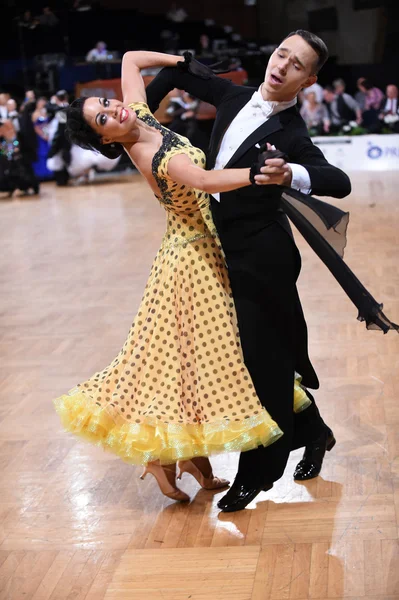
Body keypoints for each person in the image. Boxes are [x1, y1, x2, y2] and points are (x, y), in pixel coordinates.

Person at [145, 30, 398, 512]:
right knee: (254, 359)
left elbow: (339, 181)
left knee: (265, 366)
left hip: (264, 259)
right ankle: (315, 432)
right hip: (217, 252)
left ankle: (258, 472)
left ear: (308, 79)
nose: (283, 65)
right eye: (282, 54)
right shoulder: (234, 94)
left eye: (297, 64)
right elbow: (176, 73)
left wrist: (293, 174)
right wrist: (142, 118)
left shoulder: (293, 134)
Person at [55, 50, 312, 503]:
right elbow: (207, 180)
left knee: (194, 362)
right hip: (193, 261)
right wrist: (256, 175)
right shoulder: (150, 153)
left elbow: (132, 60)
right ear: (108, 141)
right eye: (103, 119)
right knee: (215, 360)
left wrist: (181, 60)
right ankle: (168, 454)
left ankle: (178, 458)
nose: (113, 110)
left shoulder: (135, 112)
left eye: (105, 103)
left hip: (203, 247)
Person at [31, 97, 52, 180]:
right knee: (41, 154)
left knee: (48, 153)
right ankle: (41, 174)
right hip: (40, 137)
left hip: (48, 135)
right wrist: (43, 135)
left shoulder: (46, 112)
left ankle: (50, 173)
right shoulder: (35, 114)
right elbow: (35, 127)